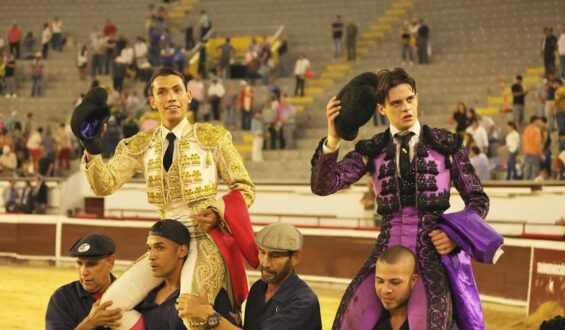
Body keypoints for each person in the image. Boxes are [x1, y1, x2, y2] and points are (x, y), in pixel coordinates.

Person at [79, 67, 258, 329]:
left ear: (188, 96)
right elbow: (103, 185)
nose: (171, 97)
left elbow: (245, 188)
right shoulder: (140, 144)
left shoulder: (213, 138)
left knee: (191, 313)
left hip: (205, 239)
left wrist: (218, 208)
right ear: (153, 101)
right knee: (110, 309)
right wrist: (92, 149)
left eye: (176, 90)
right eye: (162, 92)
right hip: (165, 242)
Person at [311, 68, 490, 329]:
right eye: (396, 102)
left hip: (431, 258)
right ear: (381, 108)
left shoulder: (446, 145)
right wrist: (333, 137)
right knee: (348, 320)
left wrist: (456, 234)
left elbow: (478, 199)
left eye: (410, 99)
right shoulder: (372, 150)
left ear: (417, 98)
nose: (406, 107)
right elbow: (323, 185)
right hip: (385, 257)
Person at [177, 222, 322, 330]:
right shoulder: (258, 288)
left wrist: (207, 315)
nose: (265, 263)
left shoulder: (304, 301)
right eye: (262, 253)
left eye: (275, 256)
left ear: (295, 257)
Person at [136, 219, 236, 329]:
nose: (151, 256)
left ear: (182, 251)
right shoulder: (146, 295)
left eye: (160, 248)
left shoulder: (208, 292)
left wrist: (207, 316)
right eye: (149, 248)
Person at [45, 234, 122, 330]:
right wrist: (89, 323)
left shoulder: (133, 294)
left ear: (110, 262)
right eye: (79, 263)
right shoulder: (63, 298)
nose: (83, 272)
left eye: (91, 264)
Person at [373, 246, 418, 330]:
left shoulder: (428, 322)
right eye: (380, 281)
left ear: (413, 280)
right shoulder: (369, 321)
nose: (385, 290)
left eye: (395, 282)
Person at [522, 116, 544, 180]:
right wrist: (541, 154)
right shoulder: (536, 130)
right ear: (535, 121)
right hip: (534, 153)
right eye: (538, 121)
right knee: (535, 172)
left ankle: (525, 186)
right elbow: (538, 143)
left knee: (527, 171)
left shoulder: (526, 129)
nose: (539, 123)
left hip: (527, 152)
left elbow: (524, 141)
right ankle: (534, 187)